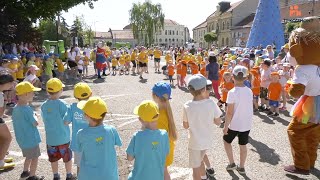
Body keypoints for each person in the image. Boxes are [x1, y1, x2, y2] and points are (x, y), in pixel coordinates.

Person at [183, 74, 222, 180]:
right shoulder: (211, 103)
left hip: (194, 142)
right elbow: (218, 122)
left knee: (195, 171)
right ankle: (204, 177)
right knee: (200, 160)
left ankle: (202, 176)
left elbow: (185, 126)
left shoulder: (187, 105)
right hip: (206, 141)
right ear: (204, 88)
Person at [77, 96, 122, 180]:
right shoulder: (111, 130)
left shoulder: (81, 133)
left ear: (86, 115)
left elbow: (77, 148)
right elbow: (119, 143)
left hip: (88, 176)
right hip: (109, 176)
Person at [41, 78, 75, 180]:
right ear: (61, 91)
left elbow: (43, 119)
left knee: (53, 159)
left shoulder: (44, 105)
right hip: (63, 138)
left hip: (51, 139)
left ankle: (56, 175)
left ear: (47, 91)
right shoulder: (63, 104)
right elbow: (67, 119)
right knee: (67, 158)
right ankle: (69, 174)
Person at [127, 100, 169, 180]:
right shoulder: (164, 135)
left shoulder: (137, 136)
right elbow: (165, 154)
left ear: (141, 119)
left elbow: (130, 158)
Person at [223, 65, 253, 175]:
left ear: (232, 77)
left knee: (226, 141)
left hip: (234, 124)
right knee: (243, 145)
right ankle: (241, 167)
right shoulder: (249, 91)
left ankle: (231, 163)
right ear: (246, 78)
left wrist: (226, 126)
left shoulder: (232, 92)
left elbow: (229, 112)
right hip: (246, 124)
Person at [12, 82, 43, 180]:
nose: (34, 94)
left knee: (28, 156)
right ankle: (32, 176)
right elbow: (35, 123)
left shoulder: (16, 108)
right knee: (35, 157)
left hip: (22, 139)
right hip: (31, 139)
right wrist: (35, 116)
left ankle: (25, 172)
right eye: (32, 92)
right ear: (25, 94)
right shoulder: (27, 109)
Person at [152, 82, 178, 180]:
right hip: (167, 147)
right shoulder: (166, 110)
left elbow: (159, 137)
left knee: (162, 172)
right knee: (164, 171)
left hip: (161, 150)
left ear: (155, 96)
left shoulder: (159, 115)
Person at [64, 83, 92, 174]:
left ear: (76, 96)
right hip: (92, 140)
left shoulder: (72, 107)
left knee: (80, 165)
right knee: (92, 164)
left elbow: (66, 122)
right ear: (90, 94)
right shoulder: (92, 106)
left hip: (78, 141)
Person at [0, 73, 15, 170]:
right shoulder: (1, 95)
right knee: (8, 138)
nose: (12, 86)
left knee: (2, 138)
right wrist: (5, 101)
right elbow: (0, 112)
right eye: (11, 83)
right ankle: (1, 162)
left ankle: (1, 158)